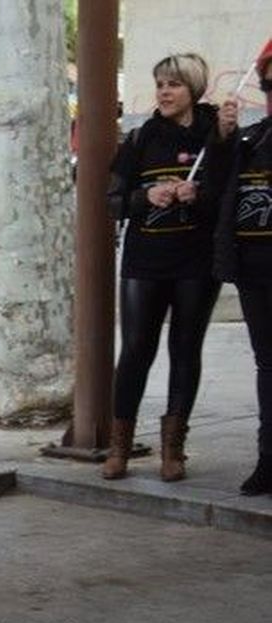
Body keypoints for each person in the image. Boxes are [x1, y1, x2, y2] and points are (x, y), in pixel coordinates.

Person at [102, 53, 222, 483]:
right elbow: (113, 200)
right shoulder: (140, 139)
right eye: (160, 85)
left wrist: (199, 194)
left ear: (194, 89)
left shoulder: (218, 137)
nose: (164, 93)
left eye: (173, 85)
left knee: (185, 351)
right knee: (135, 350)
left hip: (196, 261)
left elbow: (228, 199)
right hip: (144, 259)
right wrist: (145, 196)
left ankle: (174, 450)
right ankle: (119, 448)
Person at [214, 41, 272, 494]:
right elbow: (220, 187)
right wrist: (225, 136)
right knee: (268, 366)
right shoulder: (252, 139)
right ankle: (268, 458)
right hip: (254, 271)